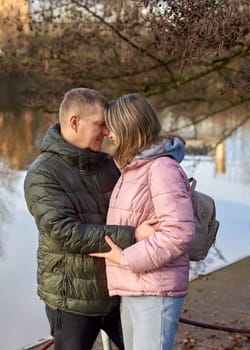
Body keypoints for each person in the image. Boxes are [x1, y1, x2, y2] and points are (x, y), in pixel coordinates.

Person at [24, 88, 154, 350]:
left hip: (119, 291)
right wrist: (134, 235)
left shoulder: (110, 164)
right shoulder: (42, 175)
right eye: (101, 124)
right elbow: (66, 233)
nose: (108, 132)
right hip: (73, 300)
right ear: (75, 122)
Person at [90, 93, 195, 350]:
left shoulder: (161, 169)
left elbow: (179, 233)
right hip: (136, 285)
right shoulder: (133, 169)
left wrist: (126, 259)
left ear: (127, 128)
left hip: (154, 289)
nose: (108, 134)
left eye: (111, 127)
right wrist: (135, 235)